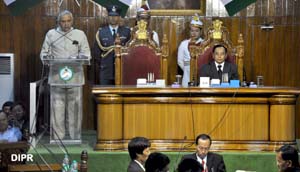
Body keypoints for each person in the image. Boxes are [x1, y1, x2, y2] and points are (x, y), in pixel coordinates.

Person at [40, 10, 91, 141]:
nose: (66, 24)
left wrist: (80, 57)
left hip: (75, 78)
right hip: (57, 78)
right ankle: (58, 138)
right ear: (58, 22)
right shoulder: (51, 34)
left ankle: (75, 137)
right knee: (57, 109)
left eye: (69, 21)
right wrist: (47, 57)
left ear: (72, 21)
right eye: (63, 21)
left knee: (75, 109)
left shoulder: (80, 34)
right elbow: (43, 54)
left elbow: (87, 54)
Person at [94, 5, 131, 85]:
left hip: (122, 70)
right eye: (111, 16)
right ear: (107, 17)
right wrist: (105, 64)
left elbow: (130, 51)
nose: (113, 18)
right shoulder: (101, 32)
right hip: (106, 72)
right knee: (105, 95)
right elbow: (97, 54)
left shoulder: (126, 32)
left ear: (119, 17)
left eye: (115, 16)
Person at [177, 14, 204, 87]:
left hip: (202, 75)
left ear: (200, 32)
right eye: (192, 31)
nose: (194, 33)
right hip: (187, 74)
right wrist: (188, 69)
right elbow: (180, 61)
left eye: (196, 31)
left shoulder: (205, 44)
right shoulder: (183, 44)